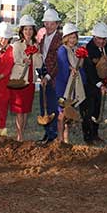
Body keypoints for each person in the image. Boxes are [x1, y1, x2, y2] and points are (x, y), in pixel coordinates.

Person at [9, 15, 42, 141]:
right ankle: (19, 135)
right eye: (25, 29)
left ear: (33, 30)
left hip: (30, 80)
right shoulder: (17, 44)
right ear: (21, 31)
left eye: (30, 29)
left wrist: (38, 55)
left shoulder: (36, 45)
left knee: (26, 109)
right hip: (19, 79)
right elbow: (16, 59)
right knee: (19, 109)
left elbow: (39, 65)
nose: (28, 32)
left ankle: (21, 131)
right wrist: (24, 60)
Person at [82, 21, 107, 145]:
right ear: (94, 37)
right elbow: (89, 70)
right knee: (88, 111)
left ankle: (95, 134)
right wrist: (99, 84)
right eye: (99, 39)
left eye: (104, 39)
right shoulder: (88, 49)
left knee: (98, 110)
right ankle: (88, 137)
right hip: (90, 86)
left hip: (103, 84)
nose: (102, 41)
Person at [55, 23, 87, 144]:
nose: (73, 40)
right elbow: (63, 64)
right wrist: (70, 68)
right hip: (63, 87)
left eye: (75, 37)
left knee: (69, 113)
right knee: (62, 112)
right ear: (66, 38)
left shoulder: (76, 50)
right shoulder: (62, 50)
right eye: (71, 37)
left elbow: (80, 66)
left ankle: (67, 139)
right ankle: (60, 139)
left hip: (73, 87)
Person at [38, 8, 63, 143]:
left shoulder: (60, 40)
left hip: (54, 80)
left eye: (51, 23)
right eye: (46, 23)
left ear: (57, 24)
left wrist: (48, 76)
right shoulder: (43, 39)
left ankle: (53, 134)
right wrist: (41, 74)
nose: (48, 26)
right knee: (44, 105)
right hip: (44, 77)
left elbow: (58, 63)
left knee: (53, 106)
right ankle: (47, 132)